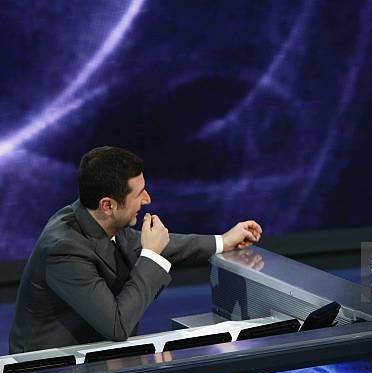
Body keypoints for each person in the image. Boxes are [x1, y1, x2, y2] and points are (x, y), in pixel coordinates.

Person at [9, 146, 262, 354]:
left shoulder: (97, 217)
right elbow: (117, 325)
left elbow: (158, 243)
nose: (147, 200)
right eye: (139, 194)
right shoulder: (63, 249)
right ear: (108, 205)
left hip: (92, 357)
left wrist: (223, 240)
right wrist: (150, 257)